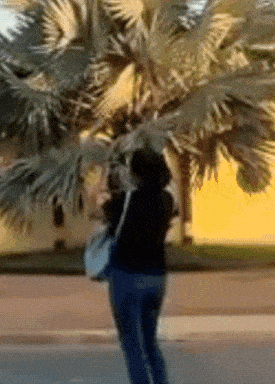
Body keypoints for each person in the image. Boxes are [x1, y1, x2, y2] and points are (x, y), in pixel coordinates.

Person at [103, 147, 178, 384]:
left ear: (135, 172)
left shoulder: (125, 201)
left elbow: (100, 214)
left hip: (127, 275)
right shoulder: (167, 200)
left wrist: (104, 180)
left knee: (132, 345)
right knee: (150, 341)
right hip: (156, 276)